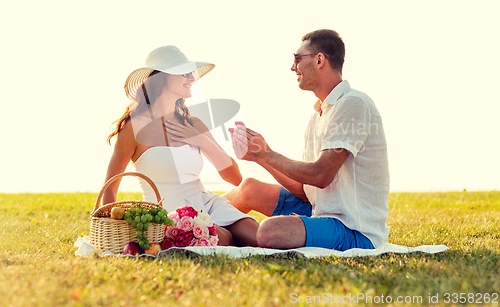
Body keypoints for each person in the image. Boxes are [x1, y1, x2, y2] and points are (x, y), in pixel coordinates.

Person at [226, 29, 390, 251]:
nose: (293, 67)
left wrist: (267, 154)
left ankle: (220, 237)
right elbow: (305, 190)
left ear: (320, 59)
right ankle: (192, 224)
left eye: (297, 59)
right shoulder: (319, 114)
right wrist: (260, 157)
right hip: (319, 211)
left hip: (353, 229)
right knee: (248, 189)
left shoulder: (353, 104)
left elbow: (321, 175)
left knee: (270, 232)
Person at [103, 45, 259, 246]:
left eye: (191, 73)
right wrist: (115, 228)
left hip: (208, 204)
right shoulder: (133, 128)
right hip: (169, 215)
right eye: (185, 73)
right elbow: (110, 188)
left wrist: (200, 140)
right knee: (226, 238)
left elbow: (235, 178)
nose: (192, 78)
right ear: (162, 77)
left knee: (262, 236)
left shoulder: (193, 124)